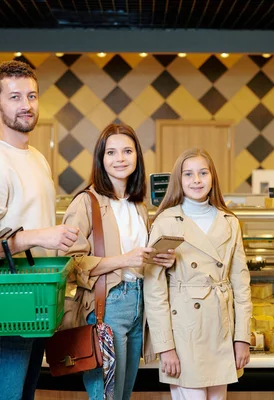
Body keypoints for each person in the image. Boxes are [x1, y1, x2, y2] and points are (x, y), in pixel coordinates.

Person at [0, 60, 79, 400]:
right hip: (7, 302)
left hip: (37, 299)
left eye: (32, 95)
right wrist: (39, 237)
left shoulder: (36, 156)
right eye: (14, 97)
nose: (26, 105)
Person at [61, 123, 174, 400]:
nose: (120, 158)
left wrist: (158, 258)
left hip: (139, 305)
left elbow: (140, 260)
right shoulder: (86, 202)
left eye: (127, 151)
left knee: (122, 396)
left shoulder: (138, 205)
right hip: (106, 307)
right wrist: (124, 260)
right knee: (106, 397)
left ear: (137, 157)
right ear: (101, 159)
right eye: (111, 152)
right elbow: (71, 264)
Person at [144, 148, 252, 400]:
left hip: (221, 329)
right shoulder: (165, 221)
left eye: (203, 173)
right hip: (184, 333)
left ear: (212, 177)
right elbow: (154, 289)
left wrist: (242, 338)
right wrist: (165, 347)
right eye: (188, 174)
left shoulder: (229, 221)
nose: (196, 180)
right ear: (178, 180)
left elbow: (242, 285)